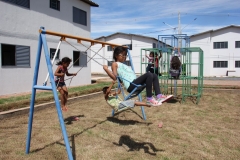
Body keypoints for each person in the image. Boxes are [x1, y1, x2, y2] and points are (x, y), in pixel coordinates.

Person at [103, 46, 173, 106]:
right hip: (131, 85)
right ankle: (149, 99)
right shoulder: (115, 64)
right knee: (148, 74)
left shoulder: (124, 65)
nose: (124, 57)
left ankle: (159, 95)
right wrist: (106, 69)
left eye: (125, 55)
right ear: (116, 55)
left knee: (154, 75)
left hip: (135, 83)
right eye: (122, 55)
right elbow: (115, 77)